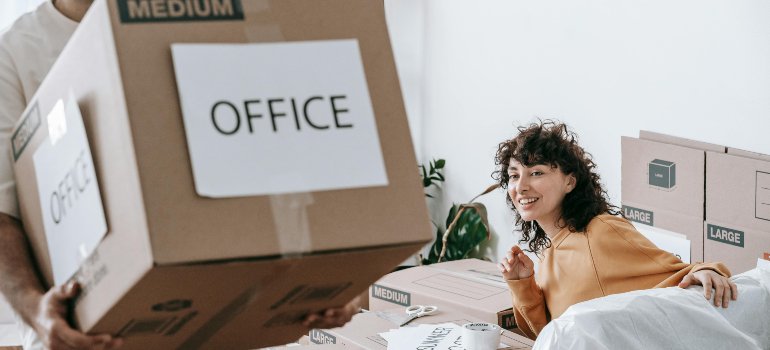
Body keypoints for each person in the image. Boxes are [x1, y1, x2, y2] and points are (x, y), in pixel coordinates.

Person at [0, 1, 359, 349]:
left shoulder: (189, 22)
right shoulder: (15, 53)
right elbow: (3, 212)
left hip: (216, 317)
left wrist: (329, 277)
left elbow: (268, 157)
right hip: (83, 335)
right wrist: (36, 311)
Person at [494, 120, 737, 340]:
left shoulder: (600, 233)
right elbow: (552, 336)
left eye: (536, 172)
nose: (521, 186)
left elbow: (677, 274)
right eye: (514, 176)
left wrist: (707, 269)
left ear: (570, 181)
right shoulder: (548, 255)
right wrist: (522, 283)